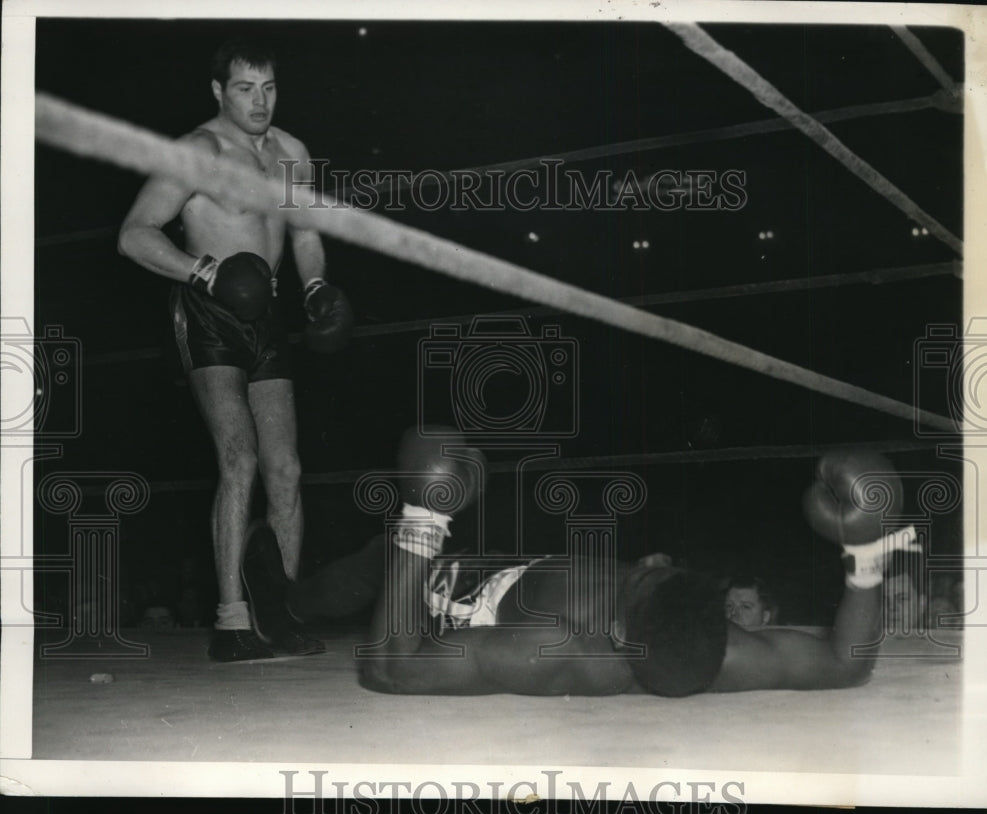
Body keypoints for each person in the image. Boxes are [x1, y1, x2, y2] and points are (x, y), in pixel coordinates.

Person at [245, 435, 921, 695]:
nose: (648, 564)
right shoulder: (721, 651)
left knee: (380, 558)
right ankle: (294, 600)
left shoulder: (560, 651)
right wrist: (868, 554)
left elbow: (390, 668)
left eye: (648, 578)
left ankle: (288, 607)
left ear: (621, 639)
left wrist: (423, 523)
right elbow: (846, 663)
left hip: (473, 601)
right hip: (538, 569)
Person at [118, 38, 350, 662]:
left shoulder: (292, 154)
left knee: (287, 469)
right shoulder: (197, 152)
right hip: (209, 310)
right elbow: (134, 235)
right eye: (245, 88)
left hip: (266, 313)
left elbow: (304, 233)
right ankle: (230, 621)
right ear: (219, 91)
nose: (260, 101)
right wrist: (204, 273)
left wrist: (318, 285)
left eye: (269, 87)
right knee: (239, 457)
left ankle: (281, 613)